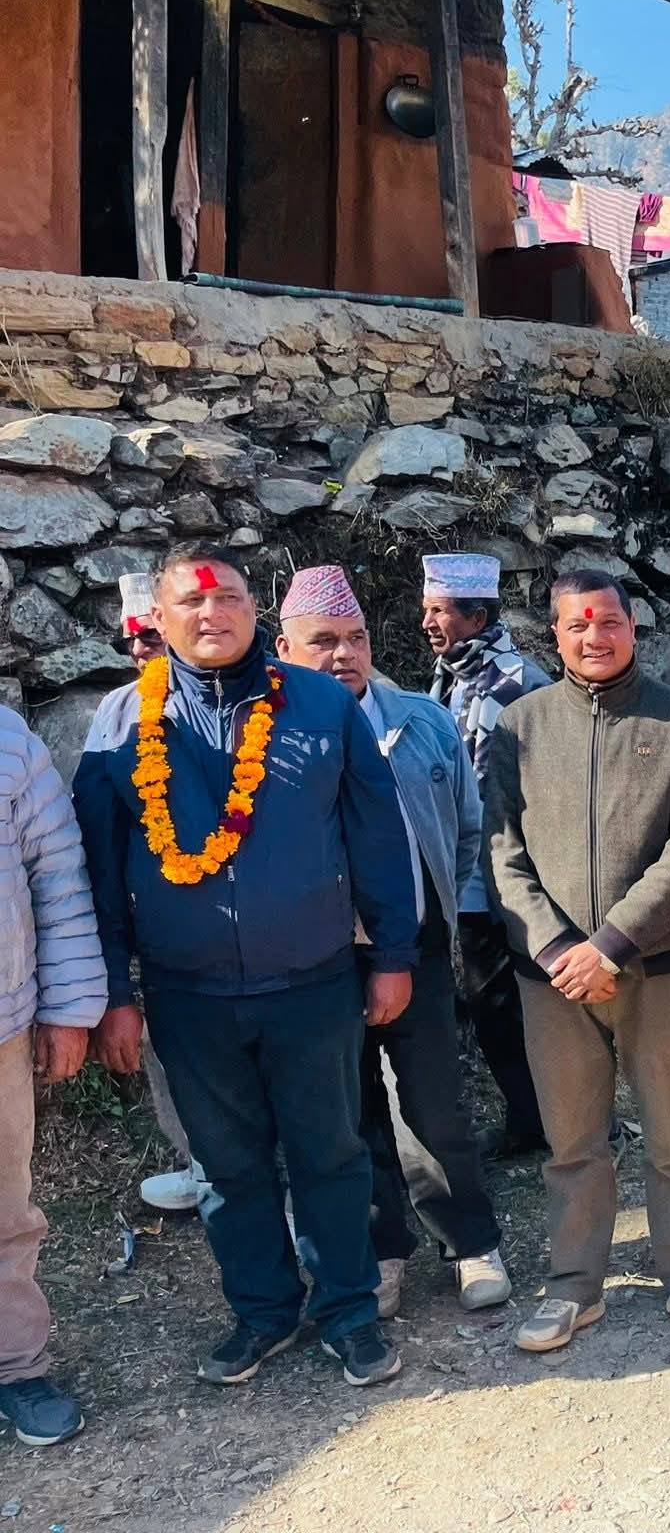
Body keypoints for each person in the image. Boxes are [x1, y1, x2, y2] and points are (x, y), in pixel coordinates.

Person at [75, 543, 417, 1389]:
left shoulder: (320, 704)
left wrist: (393, 955)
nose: (211, 613)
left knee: (332, 1154)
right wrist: (115, 992)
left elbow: (377, 837)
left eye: (226, 596)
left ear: (253, 609)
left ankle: (349, 1310)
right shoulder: (120, 722)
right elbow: (99, 873)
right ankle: (263, 1312)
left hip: (314, 984)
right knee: (228, 1168)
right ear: (158, 618)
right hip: (188, 996)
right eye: (191, 601)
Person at [485, 568, 670, 1355]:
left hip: (659, 967)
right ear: (554, 635)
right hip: (552, 977)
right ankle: (574, 1286)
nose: (596, 637)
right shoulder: (518, 727)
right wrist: (559, 948)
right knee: (572, 1145)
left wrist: (612, 945)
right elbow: (501, 851)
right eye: (578, 625)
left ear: (633, 627)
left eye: (610, 622)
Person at [273, 567, 511, 1322]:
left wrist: (425, 915)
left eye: (355, 638)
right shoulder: (265, 734)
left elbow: (466, 828)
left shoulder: (422, 721)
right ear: (284, 649)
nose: (343, 655)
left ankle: (471, 1241)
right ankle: (383, 1250)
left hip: (415, 944)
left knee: (435, 1102)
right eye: (323, 641)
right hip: (317, 959)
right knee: (353, 1109)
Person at [0, 702, 108, 1446]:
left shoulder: (7, 741)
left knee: (6, 1212)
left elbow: (59, 875)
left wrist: (69, 1009)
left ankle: (15, 1366)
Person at [422, 551, 550, 1160]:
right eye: (426, 610)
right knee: (491, 1002)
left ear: (476, 617)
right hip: (470, 873)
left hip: (512, 872)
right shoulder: (449, 679)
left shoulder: (519, 683)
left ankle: (546, 1120)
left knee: (515, 1001)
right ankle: (533, 1118)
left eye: (439, 610)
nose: (428, 623)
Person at [115, 571, 203, 1217]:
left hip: (239, 932)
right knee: (166, 1052)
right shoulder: (119, 715)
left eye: (152, 636)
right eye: (133, 641)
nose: (143, 650)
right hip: (156, 926)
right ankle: (198, 1163)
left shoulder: (235, 704)